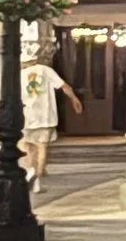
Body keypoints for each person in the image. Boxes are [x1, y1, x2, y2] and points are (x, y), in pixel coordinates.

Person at [17, 44, 82, 187]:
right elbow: (64, 86)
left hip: (27, 115)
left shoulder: (19, 75)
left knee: (26, 145)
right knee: (42, 147)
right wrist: (75, 99)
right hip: (45, 115)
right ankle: (38, 179)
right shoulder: (46, 70)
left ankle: (29, 170)